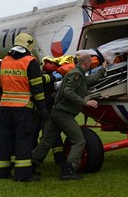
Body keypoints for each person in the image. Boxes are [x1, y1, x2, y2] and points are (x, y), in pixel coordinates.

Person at [32, 52, 105, 180]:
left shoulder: (79, 74)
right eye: (90, 63)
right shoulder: (76, 75)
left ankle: (30, 165)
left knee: (47, 141)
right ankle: (68, 169)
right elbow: (68, 92)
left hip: (57, 112)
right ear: (86, 63)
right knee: (79, 140)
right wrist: (84, 102)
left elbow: (89, 80)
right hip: (63, 114)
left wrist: (103, 69)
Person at [0, 32, 47, 182]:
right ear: (29, 46)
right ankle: (23, 174)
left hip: (5, 108)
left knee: (4, 139)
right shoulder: (30, 61)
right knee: (23, 141)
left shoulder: (4, 61)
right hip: (23, 109)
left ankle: (1, 172)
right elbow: (37, 87)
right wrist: (42, 107)